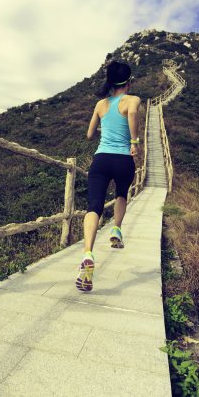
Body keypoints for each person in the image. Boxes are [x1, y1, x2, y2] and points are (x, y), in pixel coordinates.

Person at [76, 61, 141, 292]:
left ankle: (87, 254)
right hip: (123, 160)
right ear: (129, 82)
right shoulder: (132, 100)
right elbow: (132, 112)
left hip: (101, 159)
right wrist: (134, 142)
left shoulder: (100, 105)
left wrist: (104, 127)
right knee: (121, 194)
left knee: (94, 206)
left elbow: (89, 134)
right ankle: (116, 229)